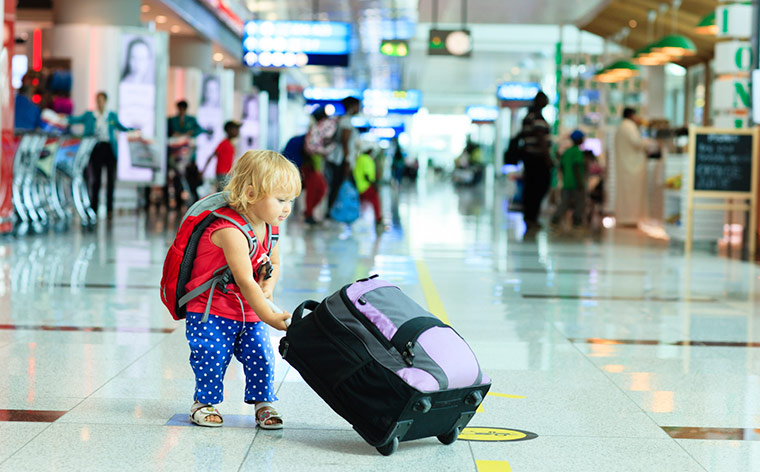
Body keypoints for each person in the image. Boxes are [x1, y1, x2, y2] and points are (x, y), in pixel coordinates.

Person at [184, 150, 298, 429]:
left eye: (291, 201)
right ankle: (203, 402)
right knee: (211, 355)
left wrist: (269, 286)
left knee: (261, 354)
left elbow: (274, 261)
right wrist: (270, 317)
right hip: (211, 310)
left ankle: (264, 403)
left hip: (247, 308)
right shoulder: (230, 231)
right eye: (280, 200)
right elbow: (245, 280)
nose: (287, 208)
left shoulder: (271, 229)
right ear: (250, 193)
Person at [68, 91, 131, 217]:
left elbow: (121, 127)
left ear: (105, 101)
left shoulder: (111, 116)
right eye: (98, 100)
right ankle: (94, 206)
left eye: (102, 100)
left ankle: (109, 208)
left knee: (110, 180)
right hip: (95, 148)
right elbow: (75, 119)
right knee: (95, 178)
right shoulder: (90, 115)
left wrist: (134, 130)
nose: (100, 103)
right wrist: (61, 118)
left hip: (109, 149)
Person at [519, 91, 553, 230]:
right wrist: (547, 158)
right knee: (538, 187)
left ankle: (530, 217)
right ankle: (531, 217)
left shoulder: (528, 116)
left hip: (530, 158)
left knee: (531, 188)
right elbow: (541, 139)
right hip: (537, 159)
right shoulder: (536, 117)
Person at [167, 100, 209, 207]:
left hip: (189, 155)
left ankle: (194, 200)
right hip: (176, 155)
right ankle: (177, 199)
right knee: (176, 177)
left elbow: (200, 130)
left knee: (191, 177)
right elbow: (167, 132)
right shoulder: (172, 120)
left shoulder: (191, 120)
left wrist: (191, 133)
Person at [614, 108, 648, 227]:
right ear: (632, 115)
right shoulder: (629, 127)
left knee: (625, 195)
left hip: (625, 166)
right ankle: (630, 219)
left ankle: (626, 218)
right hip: (631, 166)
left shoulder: (621, 127)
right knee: (631, 195)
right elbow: (637, 142)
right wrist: (647, 142)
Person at [326, 96, 361, 210]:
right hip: (340, 159)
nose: (359, 108)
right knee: (337, 185)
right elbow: (345, 142)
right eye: (357, 105)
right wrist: (347, 161)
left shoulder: (343, 119)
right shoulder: (346, 121)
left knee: (337, 185)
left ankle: (333, 211)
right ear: (352, 106)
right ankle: (332, 212)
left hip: (338, 158)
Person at [303, 107, 336, 224]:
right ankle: (308, 214)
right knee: (315, 190)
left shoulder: (315, 130)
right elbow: (311, 148)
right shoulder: (315, 130)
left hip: (316, 165)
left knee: (320, 189)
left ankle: (309, 213)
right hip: (312, 166)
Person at [551, 130, 586, 229]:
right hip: (576, 183)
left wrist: (565, 177)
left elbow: (561, 166)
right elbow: (576, 166)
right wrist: (579, 182)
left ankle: (556, 218)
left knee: (564, 202)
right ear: (579, 140)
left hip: (566, 182)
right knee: (580, 202)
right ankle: (577, 220)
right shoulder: (578, 151)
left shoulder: (567, 152)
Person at [202, 120, 240, 190]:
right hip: (223, 174)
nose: (238, 131)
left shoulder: (230, 144)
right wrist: (203, 171)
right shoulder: (223, 143)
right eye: (235, 129)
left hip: (228, 174)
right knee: (224, 195)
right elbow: (211, 156)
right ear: (228, 130)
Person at [354, 147, 383, 227]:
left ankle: (357, 218)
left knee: (361, 203)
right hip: (365, 186)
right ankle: (378, 218)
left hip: (359, 186)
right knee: (375, 200)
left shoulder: (360, 158)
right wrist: (374, 185)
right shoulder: (366, 159)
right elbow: (367, 175)